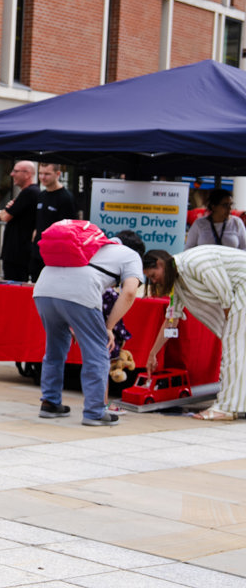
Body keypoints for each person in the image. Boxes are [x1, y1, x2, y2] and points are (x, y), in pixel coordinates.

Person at [33, 232, 144, 426]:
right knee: (97, 353)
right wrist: (109, 327)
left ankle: (50, 403)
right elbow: (129, 292)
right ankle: (95, 412)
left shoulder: (90, 243)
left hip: (43, 289)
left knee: (54, 350)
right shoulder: (130, 255)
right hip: (79, 293)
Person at [143, 246, 246, 420]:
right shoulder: (177, 282)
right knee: (238, 347)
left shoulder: (195, 262)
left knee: (234, 347)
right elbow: (171, 320)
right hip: (238, 291)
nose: (154, 281)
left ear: (160, 264)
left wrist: (231, 332)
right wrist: (153, 354)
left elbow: (225, 296)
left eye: (153, 276)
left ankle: (227, 408)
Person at [29, 163, 77, 281]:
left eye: (47, 174)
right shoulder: (41, 195)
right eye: (40, 173)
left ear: (58, 174)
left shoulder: (66, 198)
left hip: (55, 254)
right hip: (38, 251)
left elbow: (69, 228)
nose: (43, 177)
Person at [0, 160, 41, 282]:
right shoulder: (32, 192)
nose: (12, 174)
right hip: (19, 251)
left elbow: (5, 216)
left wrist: (6, 210)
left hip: (17, 253)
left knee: (13, 286)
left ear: (27, 174)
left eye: (16, 171)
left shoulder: (29, 192)